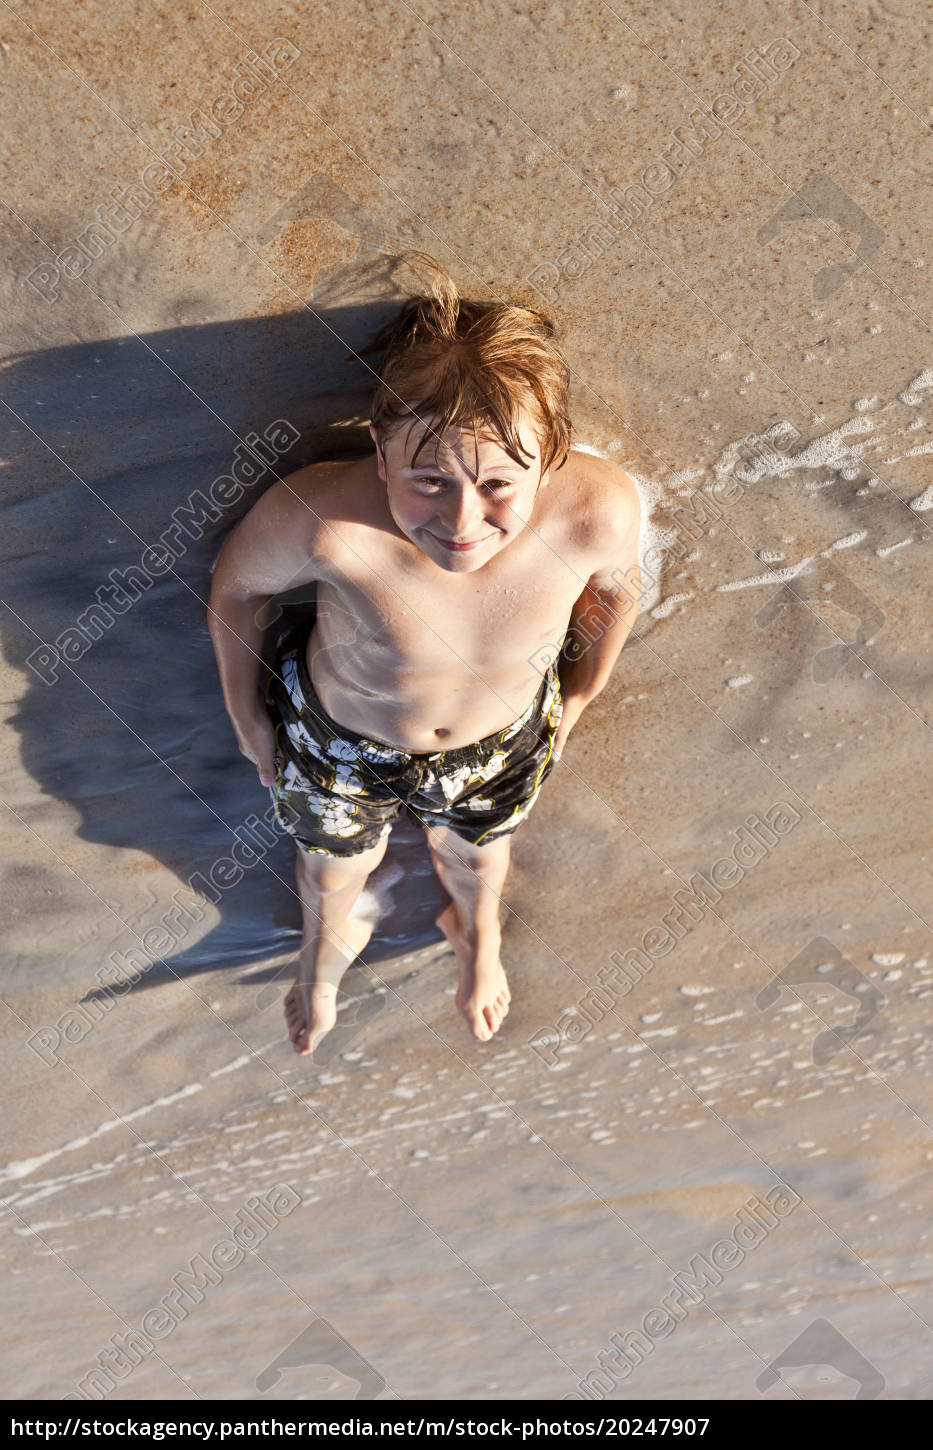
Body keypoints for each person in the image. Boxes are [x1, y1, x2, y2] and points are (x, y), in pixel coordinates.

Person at [208, 254, 641, 1055]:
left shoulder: (595, 514)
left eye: (499, 485)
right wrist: (247, 717)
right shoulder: (323, 522)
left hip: (499, 740)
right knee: (331, 871)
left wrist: (580, 696)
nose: (462, 520)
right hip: (340, 743)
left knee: (480, 861)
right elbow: (236, 593)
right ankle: (321, 954)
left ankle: (476, 939)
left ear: (550, 456)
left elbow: (615, 596)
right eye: (428, 481)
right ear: (379, 452)